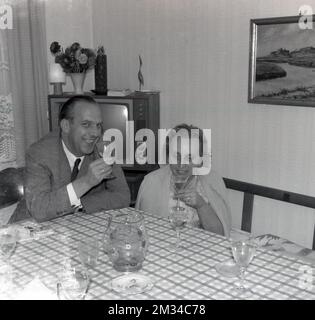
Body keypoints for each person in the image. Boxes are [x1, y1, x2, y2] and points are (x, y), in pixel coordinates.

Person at [22, 95, 130, 222]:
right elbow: (39, 209)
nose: (95, 133)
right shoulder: (39, 153)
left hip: (82, 227)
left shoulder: (102, 148)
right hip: (35, 232)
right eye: (86, 124)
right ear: (66, 126)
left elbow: (123, 196)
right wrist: (86, 182)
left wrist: (79, 203)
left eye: (98, 125)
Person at [135, 124, 231, 236]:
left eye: (189, 158)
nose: (181, 165)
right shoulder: (152, 182)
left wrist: (201, 205)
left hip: (201, 249)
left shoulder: (213, 181)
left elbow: (219, 235)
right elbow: (141, 230)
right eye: (177, 156)